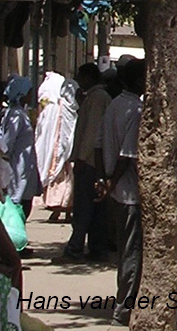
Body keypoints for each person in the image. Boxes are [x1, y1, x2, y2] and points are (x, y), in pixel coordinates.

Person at [94, 58, 145, 326]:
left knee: (126, 252)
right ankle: (123, 309)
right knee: (132, 253)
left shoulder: (114, 105)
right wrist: (112, 181)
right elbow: (127, 154)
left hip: (117, 192)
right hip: (129, 194)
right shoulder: (136, 110)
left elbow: (100, 146)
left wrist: (104, 179)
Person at [63, 63, 111, 261]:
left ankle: (75, 248)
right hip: (93, 162)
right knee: (95, 209)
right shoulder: (93, 98)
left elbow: (92, 132)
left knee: (84, 208)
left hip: (89, 162)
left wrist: (81, 158)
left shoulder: (98, 98)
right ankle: (96, 248)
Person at [34, 71, 78, 223]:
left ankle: (62, 210)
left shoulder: (63, 108)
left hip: (60, 147)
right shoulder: (62, 108)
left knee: (63, 172)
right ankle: (60, 209)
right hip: (60, 147)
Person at [1, 76, 41, 222]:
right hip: (17, 167)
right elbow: (7, 144)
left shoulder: (20, 113)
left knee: (24, 202)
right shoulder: (16, 116)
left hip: (25, 167)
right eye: (29, 92)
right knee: (18, 204)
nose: (31, 95)